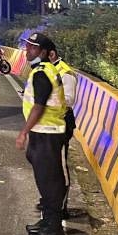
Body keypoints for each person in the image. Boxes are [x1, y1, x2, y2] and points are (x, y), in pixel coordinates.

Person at [16, 31, 67, 235]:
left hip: (47, 133)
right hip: (44, 132)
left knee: (49, 182)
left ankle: (54, 228)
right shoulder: (44, 70)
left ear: (44, 52)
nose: (28, 50)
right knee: (45, 179)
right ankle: (47, 222)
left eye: (33, 48)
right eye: (27, 46)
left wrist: (23, 132)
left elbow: (38, 107)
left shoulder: (41, 73)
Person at [48, 43, 78, 216]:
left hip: (61, 123)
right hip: (50, 123)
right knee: (50, 164)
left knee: (60, 166)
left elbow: (68, 100)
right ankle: (52, 200)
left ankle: (61, 206)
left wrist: (44, 101)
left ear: (51, 54)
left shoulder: (64, 72)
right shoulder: (50, 69)